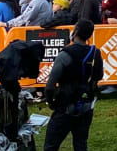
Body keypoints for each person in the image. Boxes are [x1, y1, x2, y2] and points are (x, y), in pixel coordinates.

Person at [43, 19, 103, 151]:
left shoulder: (65, 55)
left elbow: (50, 86)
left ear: (75, 33)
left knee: (51, 145)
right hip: (86, 105)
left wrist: (51, 101)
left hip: (65, 106)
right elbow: (98, 76)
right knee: (81, 144)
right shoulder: (95, 53)